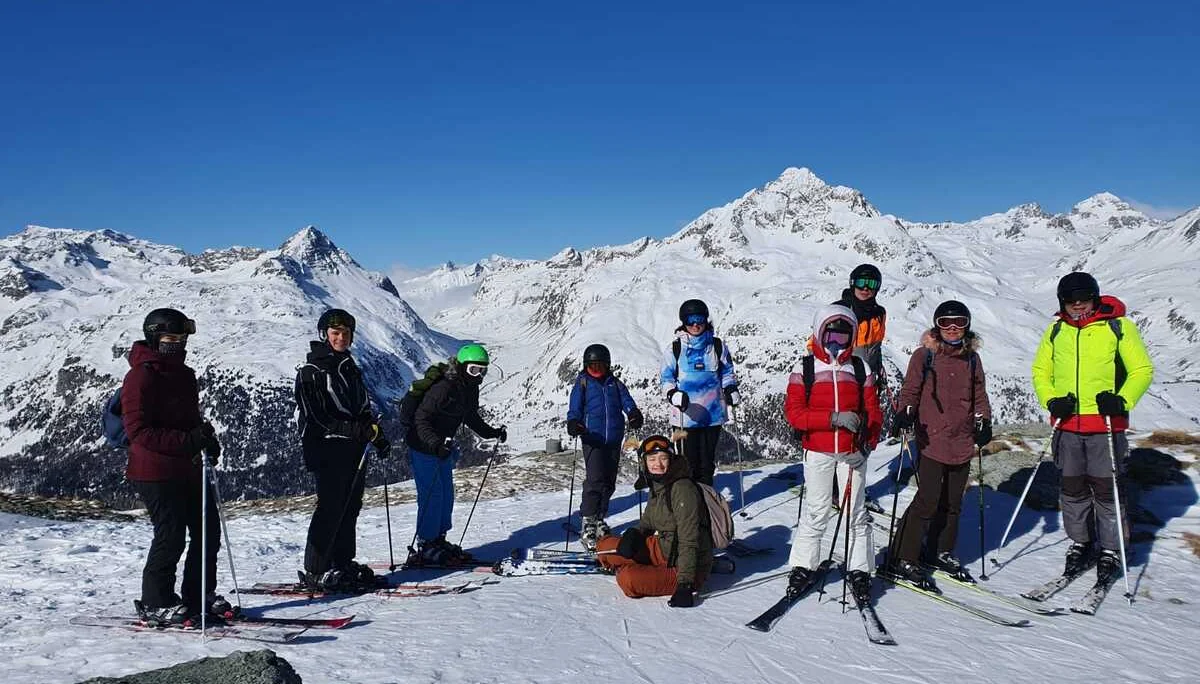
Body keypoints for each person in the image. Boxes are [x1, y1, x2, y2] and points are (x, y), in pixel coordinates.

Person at [1031, 272, 1153, 583]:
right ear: (1062, 302)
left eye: (1083, 299)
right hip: (1068, 423)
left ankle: (1111, 549)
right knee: (1072, 489)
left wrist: (1121, 400)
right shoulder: (1056, 330)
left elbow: (1141, 370)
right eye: (1071, 301)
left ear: (1094, 298)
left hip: (1106, 424)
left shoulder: (1118, 327)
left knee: (1106, 489)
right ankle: (1081, 542)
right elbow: (1040, 371)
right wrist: (1052, 401)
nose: (1078, 306)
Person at [122, 307, 226, 625]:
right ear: (154, 337)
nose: (177, 344)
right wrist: (189, 441)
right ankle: (156, 601)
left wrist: (205, 439)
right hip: (154, 472)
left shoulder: (184, 374)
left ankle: (199, 595)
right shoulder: (140, 375)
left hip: (188, 467)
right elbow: (138, 432)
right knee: (170, 537)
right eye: (170, 338)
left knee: (207, 532)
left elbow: (189, 421)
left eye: (181, 338)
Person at [889, 300, 992, 588]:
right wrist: (906, 411)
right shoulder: (925, 356)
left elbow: (979, 394)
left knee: (953, 503)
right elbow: (910, 388)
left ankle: (940, 551)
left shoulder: (972, 359)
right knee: (928, 500)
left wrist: (984, 421)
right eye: (945, 323)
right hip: (931, 437)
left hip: (962, 439)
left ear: (967, 325)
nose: (952, 328)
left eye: (959, 322)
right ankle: (903, 555)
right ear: (936, 326)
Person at [783, 304, 883, 602]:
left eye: (843, 337)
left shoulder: (860, 367)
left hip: (853, 453)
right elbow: (795, 414)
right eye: (830, 336)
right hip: (818, 450)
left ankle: (860, 569)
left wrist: (867, 445)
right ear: (818, 333)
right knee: (816, 510)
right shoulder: (806, 368)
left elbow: (873, 412)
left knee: (856, 513)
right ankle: (803, 566)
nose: (836, 344)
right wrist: (833, 419)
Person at [295, 308, 391, 590]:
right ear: (324, 335)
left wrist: (376, 435)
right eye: (336, 333)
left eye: (346, 334)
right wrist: (359, 431)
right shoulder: (311, 372)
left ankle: (341, 562)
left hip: (353, 449)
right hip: (326, 450)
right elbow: (319, 418)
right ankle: (316, 570)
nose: (341, 338)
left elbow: (361, 410)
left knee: (350, 507)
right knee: (330, 507)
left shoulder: (348, 367)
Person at [404, 343, 507, 565]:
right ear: (461, 367)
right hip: (423, 445)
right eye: (473, 370)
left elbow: (470, 416)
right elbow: (421, 419)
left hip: (443, 447)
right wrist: (434, 444)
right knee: (433, 495)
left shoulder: (469, 388)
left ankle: (438, 539)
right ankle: (425, 544)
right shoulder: (444, 387)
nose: (478, 376)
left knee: (446, 494)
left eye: (482, 370)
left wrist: (492, 433)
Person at [595, 435, 713, 607]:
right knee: (603, 547)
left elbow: (689, 540)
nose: (658, 464)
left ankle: (635, 570)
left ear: (671, 459)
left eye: (663, 458)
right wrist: (634, 534)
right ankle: (629, 565)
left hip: (685, 566)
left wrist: (685, 584)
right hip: (664, 549)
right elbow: (648, 522)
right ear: (644, 462)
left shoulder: (683, 489)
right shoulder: (658, 484)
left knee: (628, 580)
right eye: (652, 459)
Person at [565, 343, 644, 551]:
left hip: (613, 438)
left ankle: (600, 518)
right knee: (595, 479)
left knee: (608, 481)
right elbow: (575, 408)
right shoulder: (582, 383)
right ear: (586, 366)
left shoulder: (615, 384)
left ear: (608, 366)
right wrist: (574, 422)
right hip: (592, 438)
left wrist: (633, 413)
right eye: (593, 367)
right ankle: (588, 522)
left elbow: (627, 402)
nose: (597, 370)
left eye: (601, 366)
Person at [659, 299, 738, 487]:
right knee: (687, 463)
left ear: (706, 320)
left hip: (712, 415)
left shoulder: (717, 346)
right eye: (690, 320)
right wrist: (672, 394)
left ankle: (707, 502)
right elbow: (666, 378)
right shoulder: (675, 348)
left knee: (707, 464)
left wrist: (730, 388)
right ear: (683, 322)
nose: (695, 325)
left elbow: (727, 372)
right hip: (685, 415)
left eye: (699, 319)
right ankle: (690, 504)